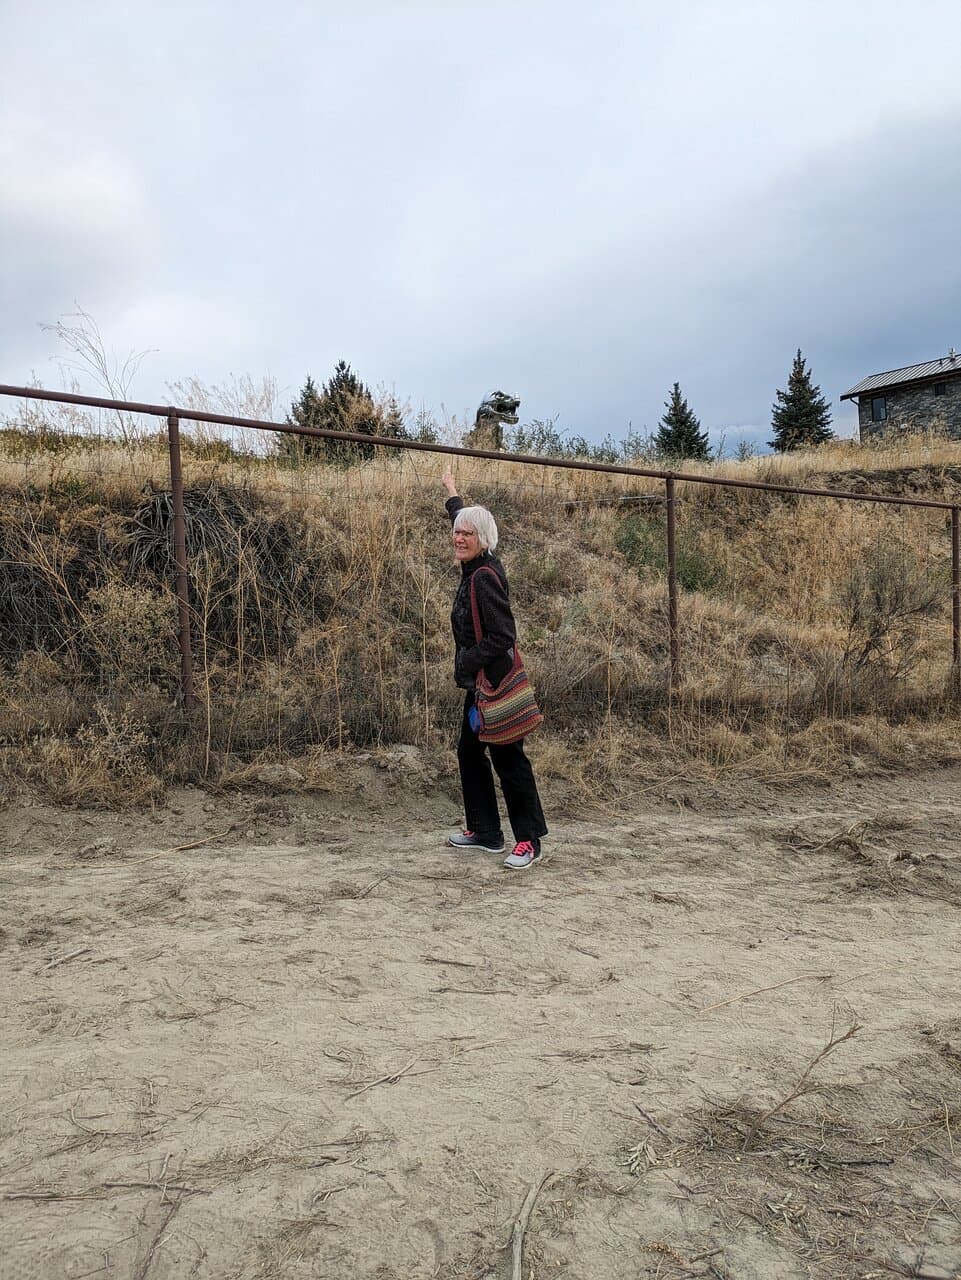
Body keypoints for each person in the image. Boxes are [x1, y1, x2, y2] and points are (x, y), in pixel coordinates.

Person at [441, 467, 548, 869]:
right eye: (457, 532)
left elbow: (503, 635)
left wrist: (465, 661)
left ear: (483, 540)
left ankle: (529, 841)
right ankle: (486, 832)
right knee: (469, 753)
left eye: (467, 534)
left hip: (496, 685)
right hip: (480, 685)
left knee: (509, 761)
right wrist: (452, 492)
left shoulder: (484, 577)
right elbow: (461, 517)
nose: (459, 537)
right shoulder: (475, 565)